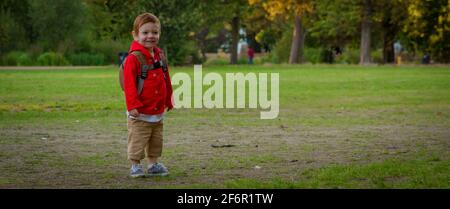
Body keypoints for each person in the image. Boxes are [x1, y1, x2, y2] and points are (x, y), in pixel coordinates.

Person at [123, 13, 174, 178]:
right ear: (136, 35)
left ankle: (153, 164)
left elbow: (166, 79)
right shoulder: (133, 58)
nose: (150, 36)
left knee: (156, 140)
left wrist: (169, 100)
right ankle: (135, 165)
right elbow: (130, 85)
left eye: (154, 32)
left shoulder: (159, 55)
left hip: (157, 110)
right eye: (145, 33)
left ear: (159, 34)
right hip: (140, 112)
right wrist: (133, 106)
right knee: (138, 139)